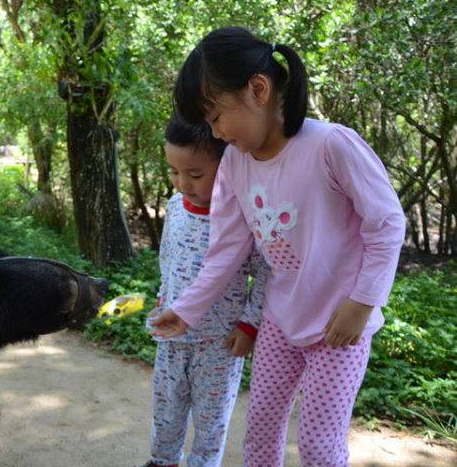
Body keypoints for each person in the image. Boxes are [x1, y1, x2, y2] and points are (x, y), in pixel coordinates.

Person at [150, 26, 406, 466]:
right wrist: (187, 308)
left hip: (339, 326)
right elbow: (226, 251)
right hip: (279, 321)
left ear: (257, 89)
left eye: (215, 117)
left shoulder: (331, 145)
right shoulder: (234, 161)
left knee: (319, 446)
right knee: (260, 436)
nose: (215, 131)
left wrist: (363, 302)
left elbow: (386, 224)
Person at [141, 115, 268, 467]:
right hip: (171, 339)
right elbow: (168, 258)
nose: (183, 183)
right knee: (166, 413)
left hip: (219, 345)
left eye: (195, 174)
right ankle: (162, 460)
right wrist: (162, 299)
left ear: (227, 165)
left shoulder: (244, 217)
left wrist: (249, 324)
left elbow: (266, 275)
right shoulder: (175, 208)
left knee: (211, 424)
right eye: (174, 172)